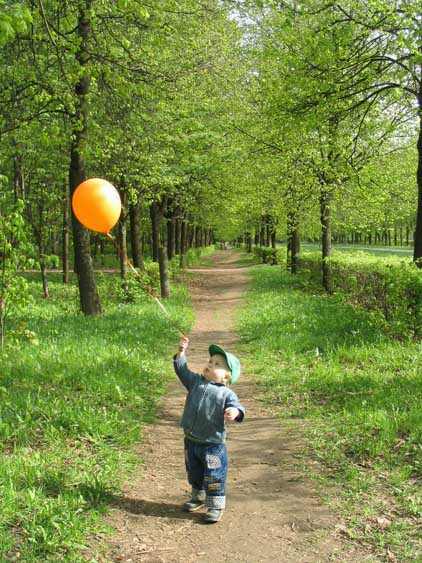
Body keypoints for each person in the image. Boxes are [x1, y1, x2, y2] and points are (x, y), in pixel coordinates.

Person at [173, 336, 245, 523]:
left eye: (217, 364)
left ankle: (215, 505)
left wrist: (234, 412)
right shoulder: (195, 382)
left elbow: (238, 407)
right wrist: (181, 352)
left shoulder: (227, 393)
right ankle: (198, 496)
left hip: (212, 445)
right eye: (210, 361)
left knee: (214, 475)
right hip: (191, 440)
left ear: (227, 375)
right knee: (194, 471)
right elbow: (182, 370)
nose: (210, 364)